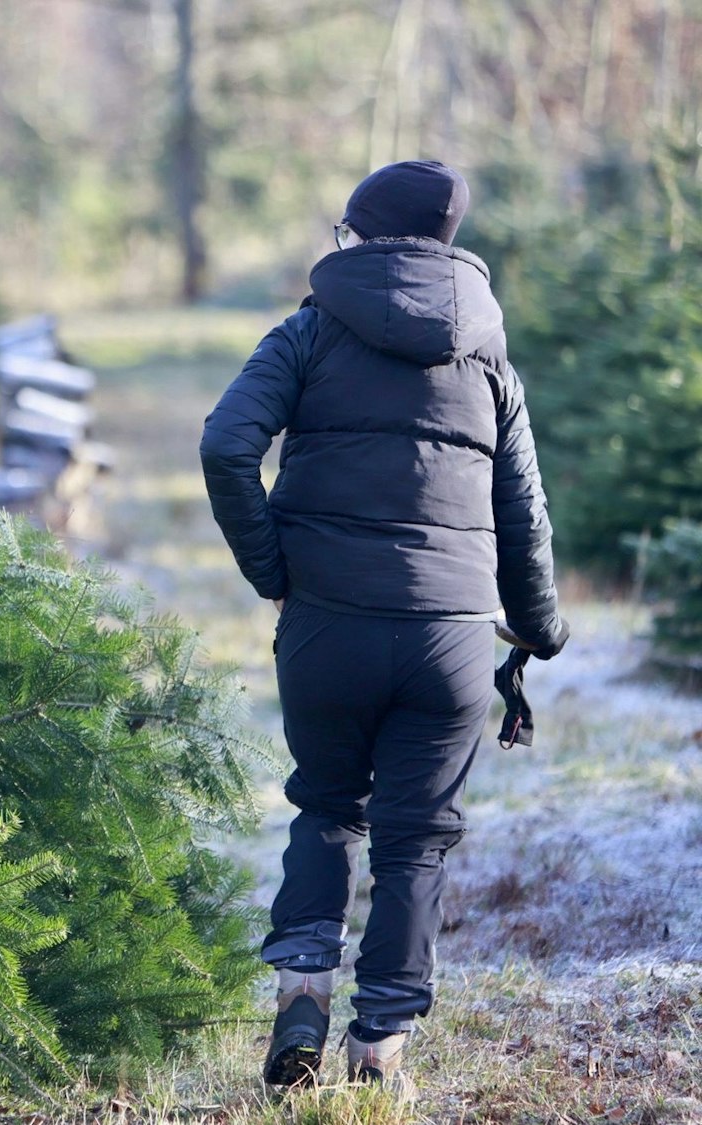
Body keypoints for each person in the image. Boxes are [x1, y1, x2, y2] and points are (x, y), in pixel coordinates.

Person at [198, 160, 568, 1095]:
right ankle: (380, 1053)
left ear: (357, 236)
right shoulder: (490, 359)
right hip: (449, 636)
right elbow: (523, 511)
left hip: (328, 625)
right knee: (415, 841)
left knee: (326, 807)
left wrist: (275, 572)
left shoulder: (308, 332)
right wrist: (537, 631)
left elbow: (224, 444)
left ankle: (303, 991)